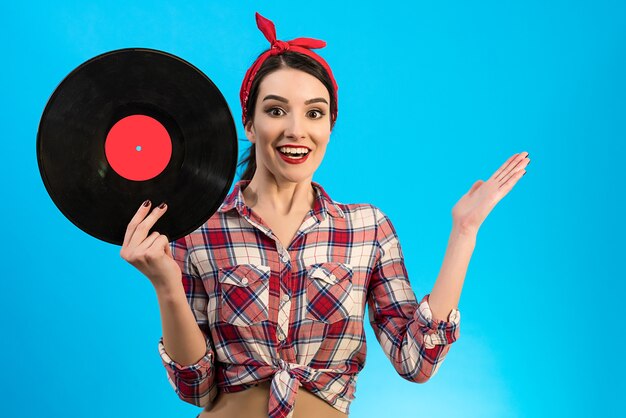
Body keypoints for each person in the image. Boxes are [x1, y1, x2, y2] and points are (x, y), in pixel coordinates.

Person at [120, 12, 530, 418]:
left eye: (314, 113)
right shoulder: (200, 229)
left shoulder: (368, 229)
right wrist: (167, 286)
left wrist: (464, 232)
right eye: (276, 110)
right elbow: (196, 390)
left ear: (330, 125)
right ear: (249, 123)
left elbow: (415, 361)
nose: (296, 130)